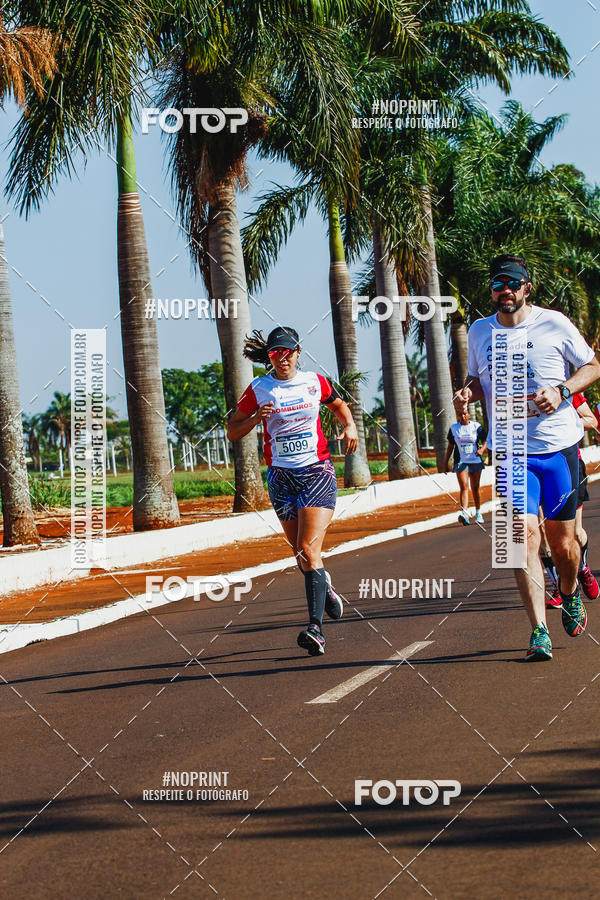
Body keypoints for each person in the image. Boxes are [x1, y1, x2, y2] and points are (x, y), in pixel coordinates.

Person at [454, 253, 600, 661]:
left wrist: (563, 391)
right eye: (498, 285)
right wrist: (467, 392)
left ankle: (569, 593)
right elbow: (477, 381)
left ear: (526, 288)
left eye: (512, 284)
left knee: (564, 544)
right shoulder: (481, 332)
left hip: (558, 448)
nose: (505, 292)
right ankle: (538, 630)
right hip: (511, 452)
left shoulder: (554, 323)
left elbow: (592, 366)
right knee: (520, 539)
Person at [226, 326, 358, 657]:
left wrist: (350, 425)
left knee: (307, 548)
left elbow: (338, 405)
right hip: (280, 478)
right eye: (274, 354)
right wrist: (256, 418)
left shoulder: (315, 382)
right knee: (301, 555)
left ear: (298, 352)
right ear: (269, 358)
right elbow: (232, 431)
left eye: (287, 352)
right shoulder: (259, 388)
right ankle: (323, 586)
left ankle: (315, 629)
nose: (282, 358)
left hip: (316, 472)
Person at [543, 392, 599, 607]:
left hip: (569, 465)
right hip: (534, 469)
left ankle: (582, 567)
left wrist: (562, 422)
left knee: (574, 533)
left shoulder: (566, 388)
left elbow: (591, 420)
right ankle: (561, 585)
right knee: (543, 537)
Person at [442, 409, 487, 525]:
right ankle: (464, 513)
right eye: (460, 414)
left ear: (469, 414)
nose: (462, 416)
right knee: (464, 486)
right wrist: (445, 463)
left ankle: (478, 512)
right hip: (461, 461)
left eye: (464, 413)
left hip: (475, 460)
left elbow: (486, 441)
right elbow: (450, 447)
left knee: (475, 488)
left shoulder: (476, 426)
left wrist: (482, 449)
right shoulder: (454, 428)